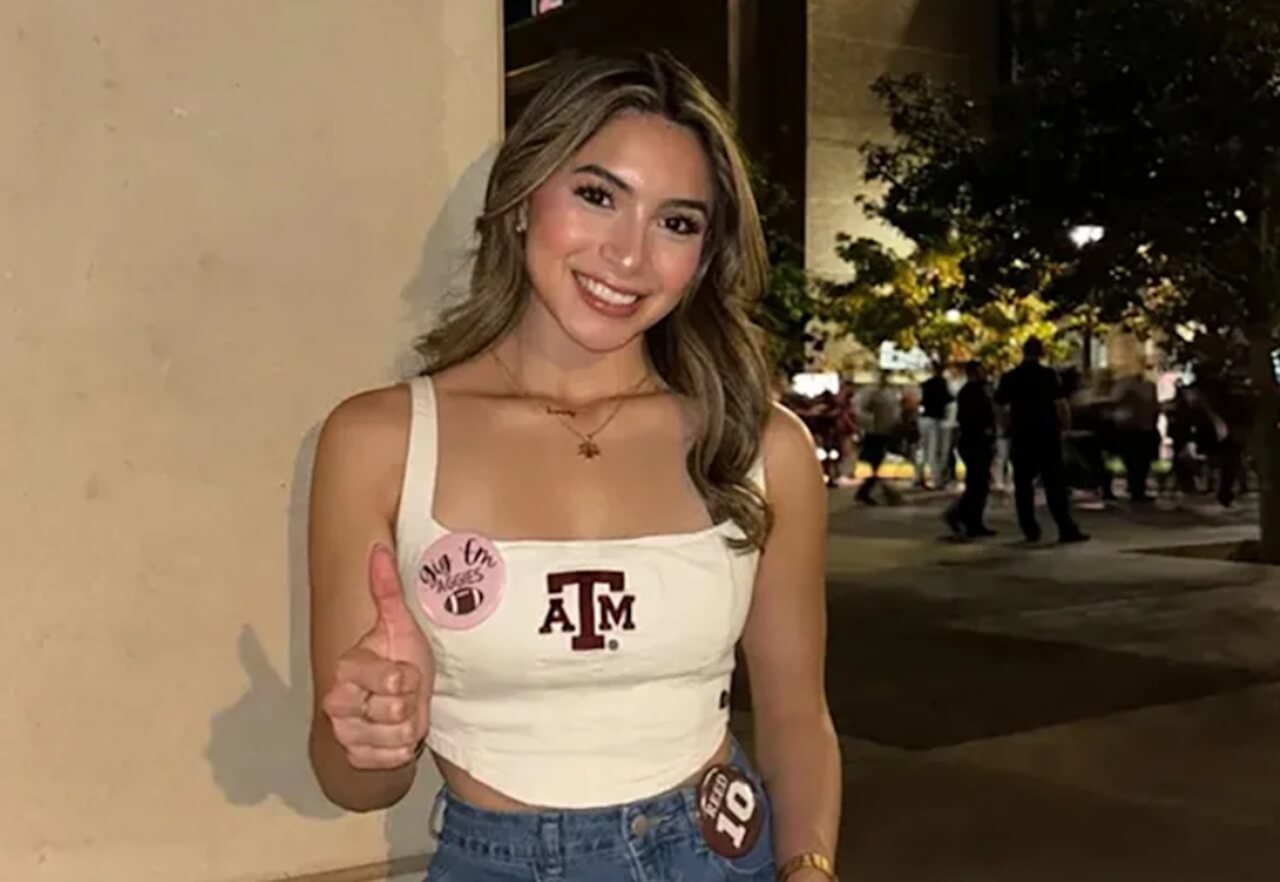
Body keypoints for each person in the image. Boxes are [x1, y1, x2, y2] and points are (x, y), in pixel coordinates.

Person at [307, 52, 840, 882]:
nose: (629, 255)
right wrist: (375, 732)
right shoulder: (380, 441)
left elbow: (796, 714)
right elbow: (354, 784)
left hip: (716, 853)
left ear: (704, 255)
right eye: (598, 196)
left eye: (677, 223)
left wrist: (809, 868)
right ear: (523, 200)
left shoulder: (762, 445)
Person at [994, 337, 1090, 544]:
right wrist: (1066, 426)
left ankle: (1029, 528)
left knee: (1023, 484)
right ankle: (1065, 527)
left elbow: (1000, 406)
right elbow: (1060, 404)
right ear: (1040, 352)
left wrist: (1004, 427)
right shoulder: (1048, 375)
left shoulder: (1010, 377)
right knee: (1054, 483)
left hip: (1021, 435)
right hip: (1046, 434)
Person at [944, 360, 998, 539]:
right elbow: (967, 418)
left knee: (981, 484)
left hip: (981, 442)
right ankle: (959, 514)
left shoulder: (982, 391)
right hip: (973, 441)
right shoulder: (969, 392)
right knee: (977, 483)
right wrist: (984, 429)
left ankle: (974, 521)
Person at [855, 372, 902, 505]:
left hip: (884, 430)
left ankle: (866, 490)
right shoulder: (872, 392)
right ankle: (866, 490)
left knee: (878, 462)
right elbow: (862, 410)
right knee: (875, 461)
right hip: (874, 431)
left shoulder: (889, 393)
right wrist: (868, 423)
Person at [918, 362, 954, 489]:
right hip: (935, 419)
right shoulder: (942, 383)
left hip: (924, 418)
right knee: (934, 451)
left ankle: (918, 476)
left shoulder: (926, 384)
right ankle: (936, 479)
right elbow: (949, 398)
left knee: (923, 449)